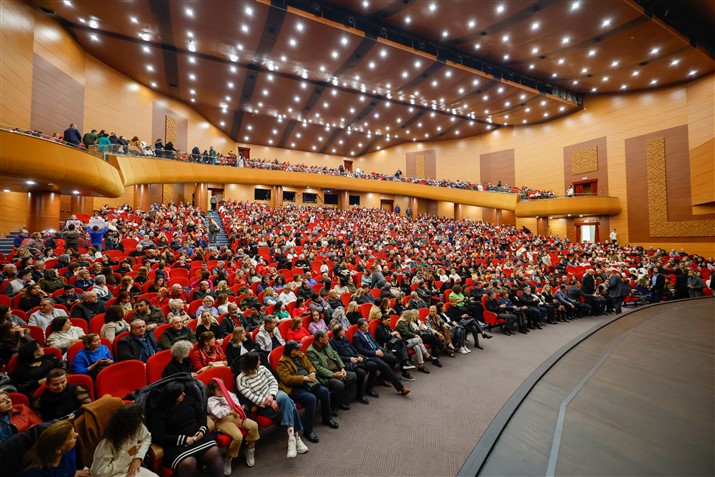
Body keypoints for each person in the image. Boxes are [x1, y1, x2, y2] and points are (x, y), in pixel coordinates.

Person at [235, 352, 308, 459]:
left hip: (274, 394)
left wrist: (272, 396)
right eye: (258, 360)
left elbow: (273, 382)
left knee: (284, 398)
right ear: (251, 363)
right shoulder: (241, 378)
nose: (260, 362)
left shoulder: (263, 368)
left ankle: (292, 440)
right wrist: (268, 401)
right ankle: (295, 438)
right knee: (290, 405)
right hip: (262, 405)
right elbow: (250, 396)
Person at [147, 382, 223, 476]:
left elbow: (201, 415)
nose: (184, 394)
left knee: (214, 452)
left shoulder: (189, 400)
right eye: (180, 393)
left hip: (198, 436)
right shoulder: (159, 411)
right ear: (172, 397)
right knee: (188, 463)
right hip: (176, 444)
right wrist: (183, 439)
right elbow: (158, 437)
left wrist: (202, 430)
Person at [276, 340, 338, 444]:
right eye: (296, 348)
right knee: (311, 398)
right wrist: (304, 378)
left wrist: (312, 372)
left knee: (324, 391)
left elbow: (310, 365)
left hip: (309, 382)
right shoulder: (282, 362)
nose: (299, 349)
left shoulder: (300, 355)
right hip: (294, 387)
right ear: (291, 351)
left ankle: (327, 418)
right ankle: (308, 431)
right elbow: (286, 379)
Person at [206, 379, 259, 473]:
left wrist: (239, 408)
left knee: (254, 425)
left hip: (234, 416)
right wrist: (230, 411)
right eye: (219, 389)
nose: (222, 391)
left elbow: (236, 403)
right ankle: (228, 458)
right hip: (221, 420)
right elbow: (217, 412)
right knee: (238, 436)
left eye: (222, 388)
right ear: (213, 391)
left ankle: (250, 449)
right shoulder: (211, 400)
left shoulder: (229, 394)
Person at [90, 403, 158, 477]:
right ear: (129, 427)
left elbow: (147, 438)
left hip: (130, 469)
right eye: (139, 417)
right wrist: (128, 455)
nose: (143, 417)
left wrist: (138, 458)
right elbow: (99, 473)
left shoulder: (138, 426)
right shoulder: (107, 444)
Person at [352, 318, 411, 395]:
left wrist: (380, 349)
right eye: (366, 326)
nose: (368, 327)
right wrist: (375, 353)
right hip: (370, 356)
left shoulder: (367, 331)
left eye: (367, 325)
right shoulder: (356, 336)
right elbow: (361, 351)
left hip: (377, 351)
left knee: (393, 359)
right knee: (385, 366)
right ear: (361, 327)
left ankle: (381, 378)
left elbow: (374, 342)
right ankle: (401, 388)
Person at [306, 330, 358, 414]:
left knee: (352, 376)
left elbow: (336, 355)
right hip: (326, 376)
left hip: (336, 370)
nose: (328, 338)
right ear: (320, 339)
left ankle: (340, 399)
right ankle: (332, 405)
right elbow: (318, 368)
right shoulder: (310, 351)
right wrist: (333, 375)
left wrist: (342, 368)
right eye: (326, 337)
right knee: (339, 385)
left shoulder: (326, 344)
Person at [20, 420, 90, 477]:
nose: (77, 434)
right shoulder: (34, 473)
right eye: (72, 436)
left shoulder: (69, 451)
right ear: (58, 449)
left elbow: (68, 472)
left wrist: (75, 473)